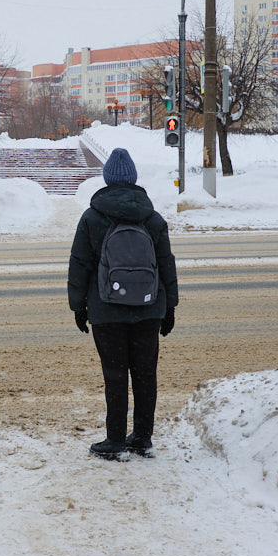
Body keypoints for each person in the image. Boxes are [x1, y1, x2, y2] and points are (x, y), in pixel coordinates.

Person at [68, 148, 179, 460]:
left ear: (107, 179)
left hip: (106, 310)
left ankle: (115, 441)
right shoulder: (153, 218)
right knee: (146, 374)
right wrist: (170, 306)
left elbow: (80, 265)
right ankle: (142, 438)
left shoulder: (91, 218)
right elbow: (166, 264)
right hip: (149, 308)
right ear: (133, 179)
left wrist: (78, 306)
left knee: (115, 375)